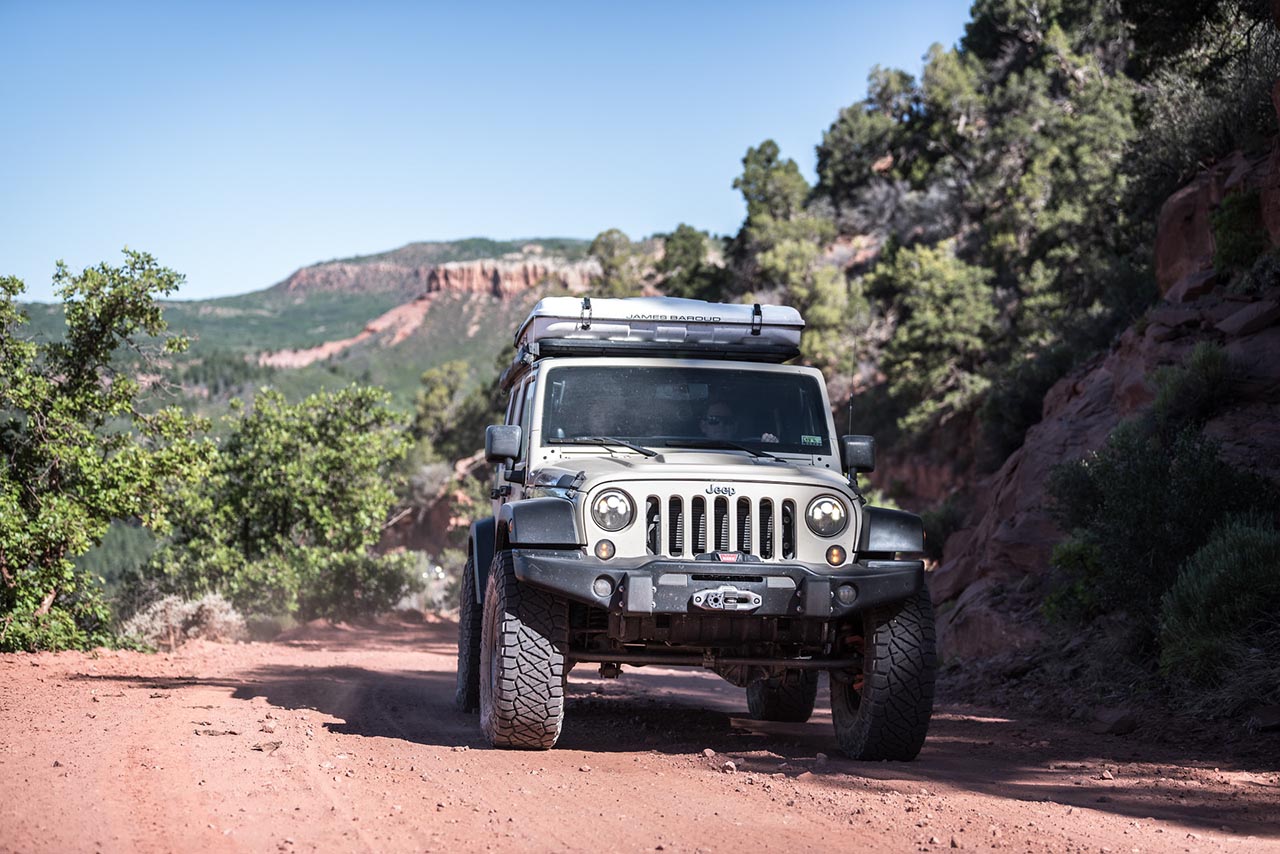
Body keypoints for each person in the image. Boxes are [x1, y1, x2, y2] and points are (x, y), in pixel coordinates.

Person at [700, 401, 777, 443]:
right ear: (703, 426)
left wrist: (770, 444)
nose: (721, 425)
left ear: (735, 426)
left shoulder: (755, 450)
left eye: (727, 421)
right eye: (714, 420)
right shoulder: (689, 451)